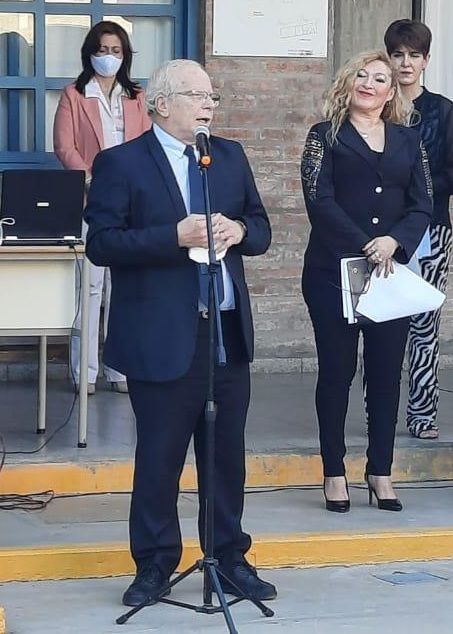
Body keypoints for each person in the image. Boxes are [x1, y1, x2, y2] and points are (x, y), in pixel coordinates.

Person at [83, 58, 276, 605]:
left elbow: (261, 229)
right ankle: (153, 565)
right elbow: (102, 244)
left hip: (225, 333)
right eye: (197, 95)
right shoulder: (122, 163)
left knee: (226, 458)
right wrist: (173, 235)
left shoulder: (228, 157)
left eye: (212, 96)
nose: (208, 104)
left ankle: (229, 559)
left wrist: (238, 229)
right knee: (159, 459)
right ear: (161, 104)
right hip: (162, 335)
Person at [301, 51, 432, 513]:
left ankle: (380, 471)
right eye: (361, 75)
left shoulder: (408, 139)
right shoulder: (324, 135)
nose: (369, 84)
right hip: (333, 272)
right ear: (347, 82)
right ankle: (333, 472)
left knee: (384, 375)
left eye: (380, 78)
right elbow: (319, 200)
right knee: (336, 373)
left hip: (389, 273)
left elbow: (423, 202)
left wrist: (395, 241)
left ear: (391, 91)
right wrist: (364, 243)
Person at [54, 20, 151, 395]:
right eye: (102, 50)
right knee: (90, 289)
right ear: (89, 53)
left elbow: (148, 144)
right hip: (91, 200)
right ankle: (85, 371)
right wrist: (94, 181)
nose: (108, 57)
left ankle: (120, 369)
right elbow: (65, 147)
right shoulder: (75, 94)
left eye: (115, 51)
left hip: (131, 203)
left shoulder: (137, 96)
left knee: (123, 288)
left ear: (125, 56)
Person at [384, 19, 453, 439]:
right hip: (380, 232)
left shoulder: (443, 111)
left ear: (426, 60)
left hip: (431, 230)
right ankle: (379, 415)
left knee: (425, 324)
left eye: (413, 55)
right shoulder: (377, 106)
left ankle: (423, 414)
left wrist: (417, 188)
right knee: (380, 322)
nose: (405, 63)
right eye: (397, 55)